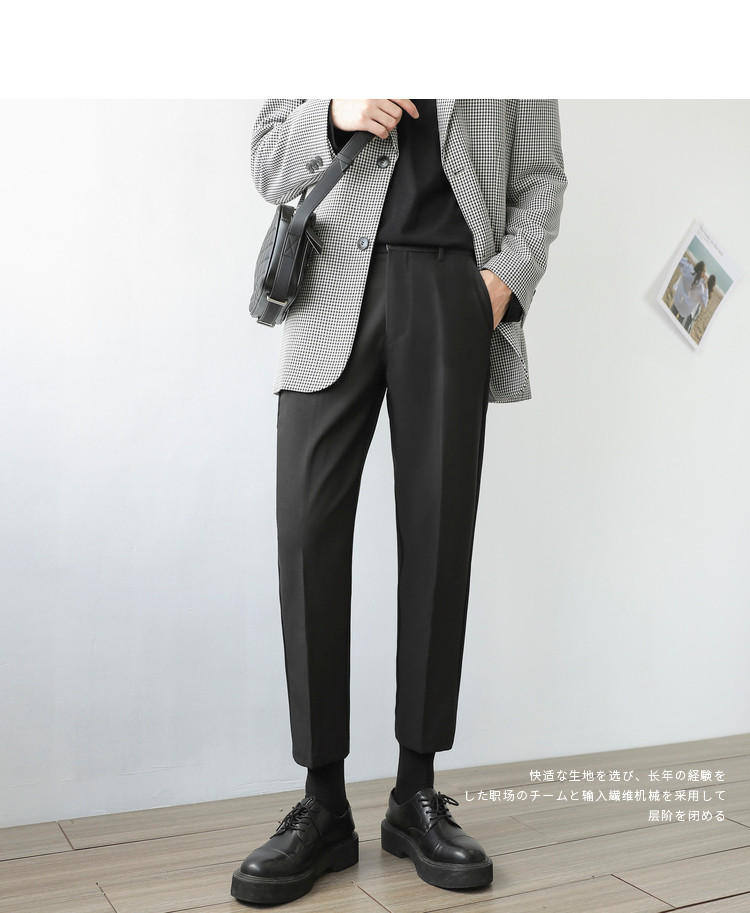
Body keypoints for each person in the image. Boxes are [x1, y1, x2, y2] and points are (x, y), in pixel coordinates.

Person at [231, 98, 568, 906]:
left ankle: (416, 792)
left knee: (438, 536)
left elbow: (542, 178)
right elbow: (268, 157)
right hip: (327, 290)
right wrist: (335, 111)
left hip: (453, 289)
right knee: (307, 535)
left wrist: (502, 281)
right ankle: (322, 804)